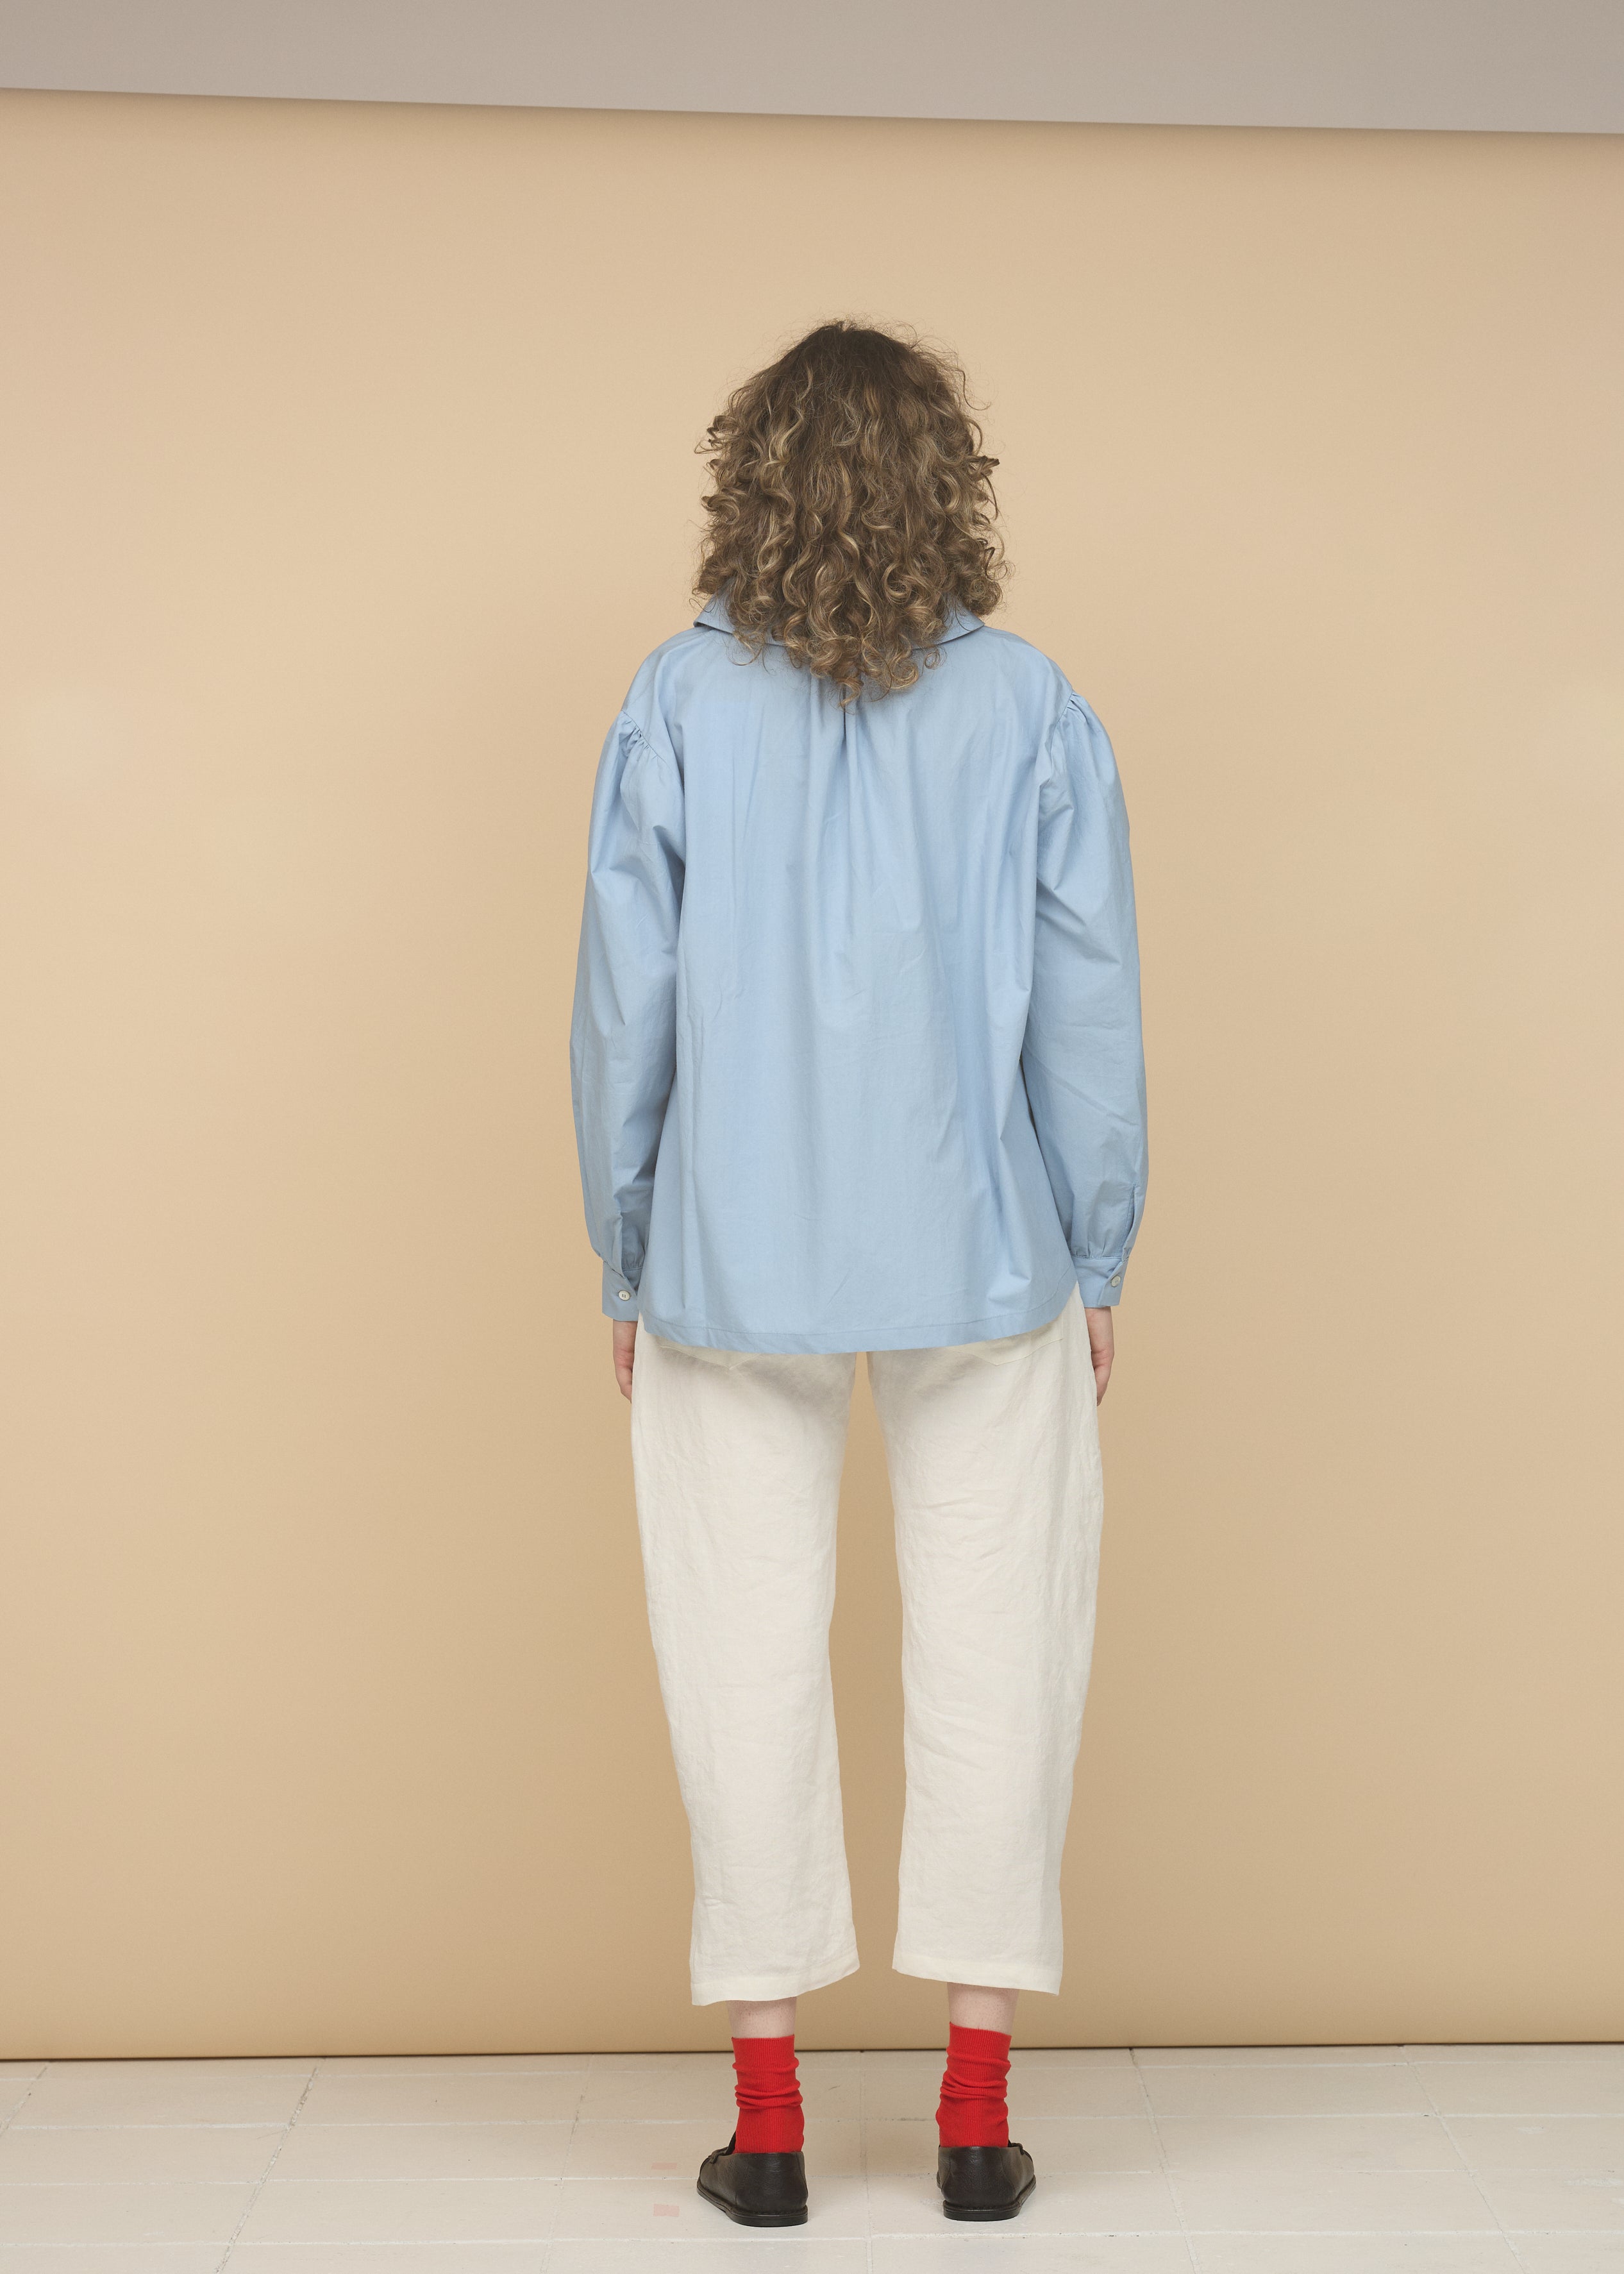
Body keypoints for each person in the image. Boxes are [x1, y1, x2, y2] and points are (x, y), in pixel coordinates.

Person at [569, 320, 1147, 2227]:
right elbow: (1088, 1004)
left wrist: (629, 1246)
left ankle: (771, 2130)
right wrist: (1099, 1242)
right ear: (946, 487)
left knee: (736, 1651)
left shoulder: (674, 700)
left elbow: (624, 1007)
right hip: (990, 1249)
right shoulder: (1031, 705)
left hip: (730, 1261)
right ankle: (975, 2121)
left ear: (752, 483)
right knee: (1003, 1651)